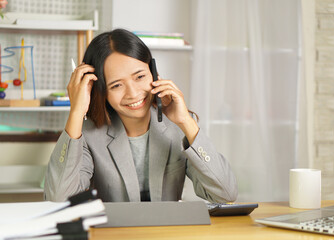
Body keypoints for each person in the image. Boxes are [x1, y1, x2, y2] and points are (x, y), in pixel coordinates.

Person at [44, 28, 238, 203]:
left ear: (153, 73)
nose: (133, 93)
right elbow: (58, 200)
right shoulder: (88, 134)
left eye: (140, 77)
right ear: (100, 90)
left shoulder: (178, 126)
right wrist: (77, 112)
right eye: (116, 85)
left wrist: (186, 121)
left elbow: (225, 194)